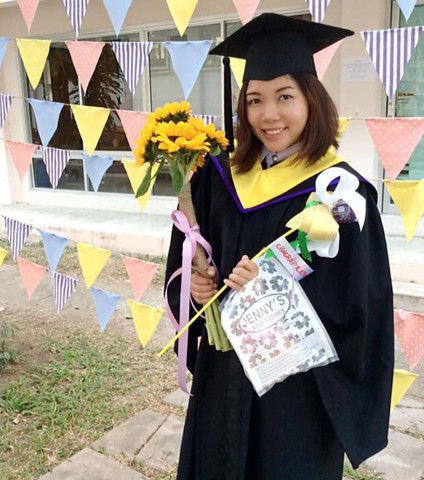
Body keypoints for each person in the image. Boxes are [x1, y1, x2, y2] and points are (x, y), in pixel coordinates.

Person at [165, 12, 394, 480]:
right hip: (222, 378)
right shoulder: (218, 177)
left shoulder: (341, 195)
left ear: (311, 99)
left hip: (294, 393)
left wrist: (273, 291)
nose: (268, 115)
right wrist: (198, 288)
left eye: (285, 96)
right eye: (255, 100)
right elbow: (189, 252)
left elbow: (360, 305)